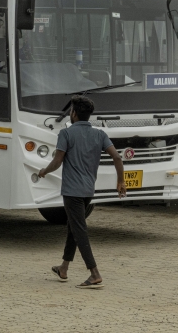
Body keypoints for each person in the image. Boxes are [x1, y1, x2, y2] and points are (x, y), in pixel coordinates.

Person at [38, 96, 126, 288]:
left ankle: (94, 274)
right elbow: (118, 158)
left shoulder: (66, 134)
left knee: (79, 230)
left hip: (72, 191)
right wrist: (121, 181)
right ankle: (64, 268)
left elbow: (57, 161)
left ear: (74, 113)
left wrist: (44, 171)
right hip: (88, 190)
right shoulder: (100, 134)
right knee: (74, 226)